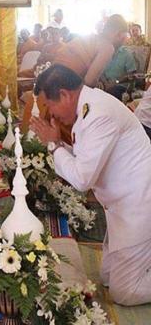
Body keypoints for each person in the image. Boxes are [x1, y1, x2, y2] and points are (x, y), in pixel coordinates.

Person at [30, 64, 151, 306]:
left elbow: (82, 180)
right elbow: (83, 159)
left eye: (50, 105)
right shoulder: (89, 107)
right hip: (121, 206)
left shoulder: (98, 115)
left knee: (124, 292)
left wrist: (54, 145)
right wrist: (58, 145)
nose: (50, 113)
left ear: (64, 94)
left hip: (139, 205)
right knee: (106, 277)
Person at [21, 14, 129, 137]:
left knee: (33, 139)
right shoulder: (108, 47)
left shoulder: (88, 38)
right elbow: (89, 83)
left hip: (47, 86)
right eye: (125, 37)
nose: (124, 41)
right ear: (119, 34)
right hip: (61, 97)